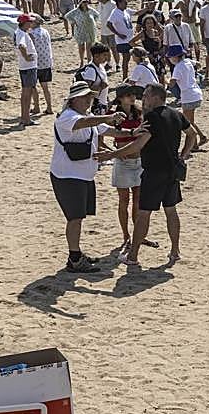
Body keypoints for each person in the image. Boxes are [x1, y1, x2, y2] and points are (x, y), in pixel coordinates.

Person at [96, 83, 197, 269]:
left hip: (153, 171)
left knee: (144, 214)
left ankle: (133, 255)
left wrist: (110, 155)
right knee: (171, 211)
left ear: (155, 97)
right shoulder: (176, 114)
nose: (143, 99)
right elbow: (192, 135)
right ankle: (175, 251)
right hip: (172, 170)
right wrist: (182, 156)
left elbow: (138, 145)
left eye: (146, 96)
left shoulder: (152, 117)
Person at [51, 81, 122, 272]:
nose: (89, 100)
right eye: (85, 97)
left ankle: (76, 254)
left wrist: (132, 133)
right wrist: (108, 117)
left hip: (81, 175)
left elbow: (106, 130)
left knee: (78, 217)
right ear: (73, 100)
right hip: (68, 176)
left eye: (90, 96)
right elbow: (85, 123)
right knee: (74, 218)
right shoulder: (67, 117)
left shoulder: (87, 116)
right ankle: (74, 259)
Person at [100, 83, 146, 254]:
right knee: (124, 201)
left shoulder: (139, 112)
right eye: (128, 95)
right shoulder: (112, 115)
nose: (132, 97)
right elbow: (101, 136)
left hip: (139, 160)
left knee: (138, 200)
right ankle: (126, 235)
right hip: (123, 162)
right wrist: (115, 153)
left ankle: (136, 234)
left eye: (133, 94)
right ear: (120, 98)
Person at [14, 13, 39, 126]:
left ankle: (25, 117)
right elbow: (21, 46)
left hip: (24, 67)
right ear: (25, 23)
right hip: (28, 67)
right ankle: (26, 118)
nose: (31, 23)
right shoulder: (22, 34)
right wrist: (27, 57)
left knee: (25, 93)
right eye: (29, 22)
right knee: (27, 94)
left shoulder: (19, 32)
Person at [66, 0, 101, 66]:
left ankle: (89, 61)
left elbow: (97, 15)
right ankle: (82, 61)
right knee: (81, 47)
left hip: (89, 31)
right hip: (80, 31)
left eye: (86, 2)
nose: (85, 3)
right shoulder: (76, 11)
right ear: (80, 3)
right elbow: (67, 16)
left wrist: (93, 22)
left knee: (89, 47)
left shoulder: (90, 10)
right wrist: (73, 22)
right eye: (83, 2)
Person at [107, 0, 135, 78]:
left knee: (128, 59)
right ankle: (125, 77)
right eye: (124, 2)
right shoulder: (115, 12)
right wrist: (118, 34)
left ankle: (125, 76)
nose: (126, 3)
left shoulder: (126, 11)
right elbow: (109, 24)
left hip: (130, 39)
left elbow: (137, 13)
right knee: (126, 59)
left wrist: (147, 8)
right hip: (122, 41)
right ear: (119, 3)